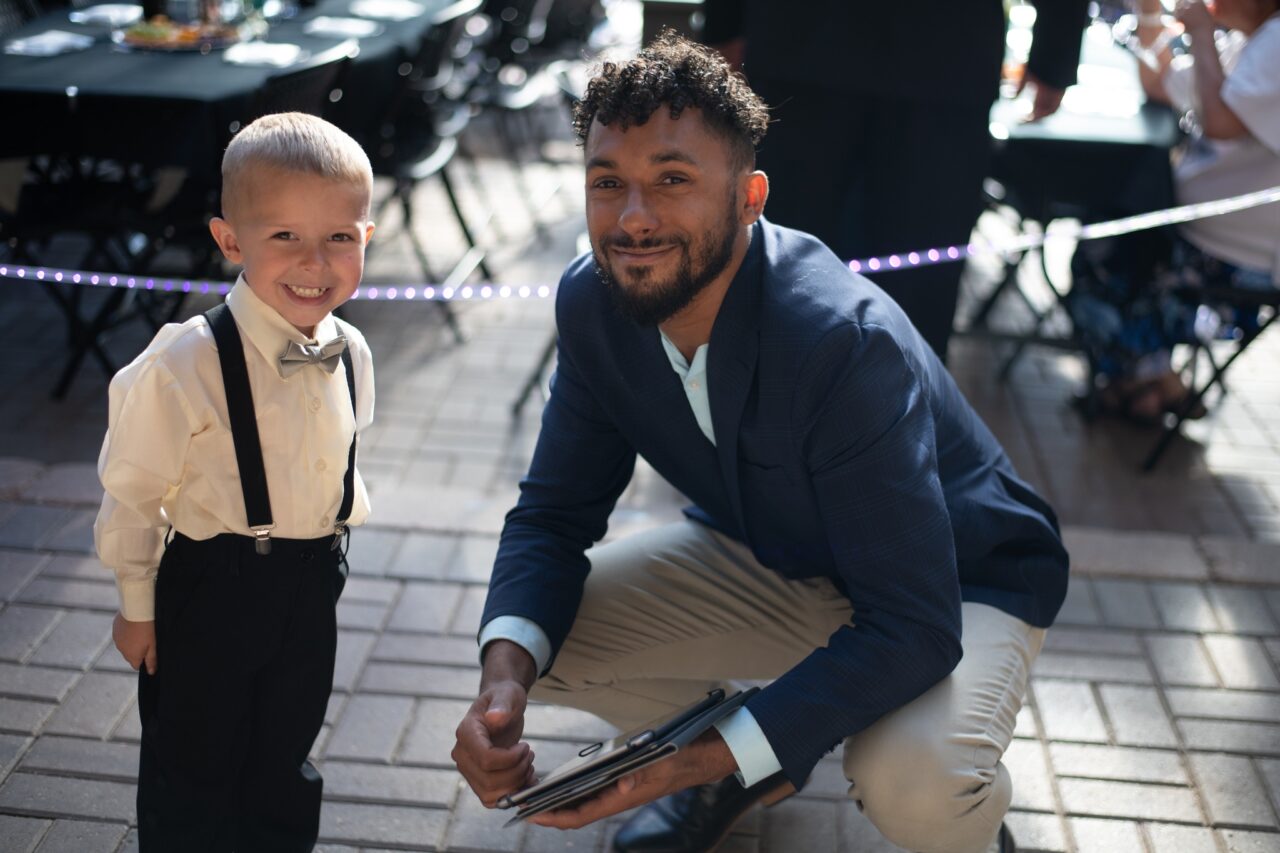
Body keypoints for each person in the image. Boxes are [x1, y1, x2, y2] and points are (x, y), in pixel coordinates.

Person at [451, 34, 1069, 853]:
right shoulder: (594, 301)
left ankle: (948, 824)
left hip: (956, 580)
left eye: (673, 180)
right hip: (780, 555)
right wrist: (500, 688)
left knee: (916, 783)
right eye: (609, 184)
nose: (635, 219)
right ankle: (750, 764)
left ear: (749, 197)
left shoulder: (839, 339)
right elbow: (553, 516)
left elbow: (913, 625)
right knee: (541, 639)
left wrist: (676, 764)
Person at [94, 112, 377, 852]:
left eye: (340, 237)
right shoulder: (184, 363)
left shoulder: (351, 349)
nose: (315, 261)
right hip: (212, 588)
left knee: (284, 754)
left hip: (314, 581)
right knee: (193, 765)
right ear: (230, 241)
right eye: (285, 235)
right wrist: (136, 603)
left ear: (366, 239)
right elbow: (133, 491)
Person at [698, 0, 1089, 363]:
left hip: (879, 56)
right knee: (789, 268)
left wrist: (723, 25)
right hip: (899, 56)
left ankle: (898, 421)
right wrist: (1055, 53)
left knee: (903, 285)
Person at [1068, 0, 1280, 423]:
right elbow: (1160, 84)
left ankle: (1142, 379)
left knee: (1105, 244)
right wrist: (1150, 13)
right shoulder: (1249, 41)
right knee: (1111, 226)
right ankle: (1154, 384)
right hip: (1201, 231)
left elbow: (1221, 123)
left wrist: (1201, 33)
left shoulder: (1274, 42)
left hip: (1237, 254)